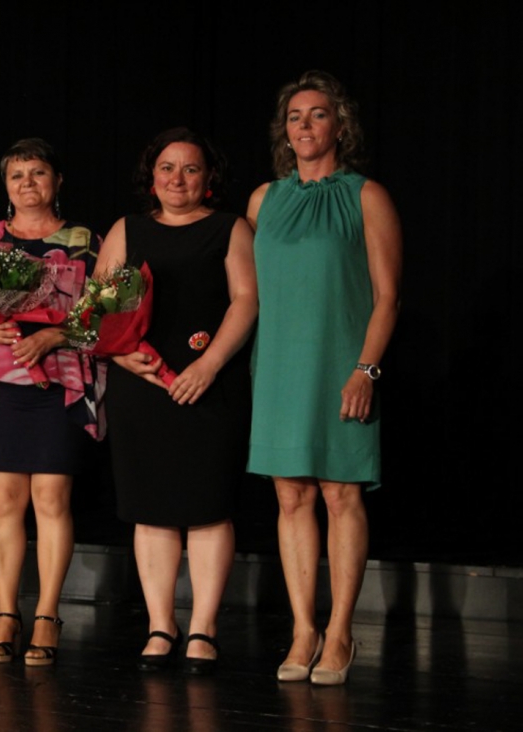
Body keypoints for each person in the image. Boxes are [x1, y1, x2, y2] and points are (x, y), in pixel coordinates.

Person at [247, 71, 402, 685]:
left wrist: (365, 370)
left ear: (340, 126)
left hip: (343, 364)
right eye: (295, 116)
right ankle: (303, 630)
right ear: (283, 131)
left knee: (341, 495)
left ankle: (340, 633)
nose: (305, 125)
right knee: (291, 497)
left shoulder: (367, 196)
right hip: (278, 367)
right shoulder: (264, 200)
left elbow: (388, 297)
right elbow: (247, 293)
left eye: (317, 114)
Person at [97, 128, 257, 674]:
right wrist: (122, 356)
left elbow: (246, 299)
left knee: (208, 507)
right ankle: (160, 626)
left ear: (208, 178)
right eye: (167, 168)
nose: (177, 179)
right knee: (151, 508)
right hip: (142, 387)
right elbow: (98, 307)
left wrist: (209, 365)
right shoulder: (128, 229)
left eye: (190, 169)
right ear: (152, 176)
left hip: (211, 385)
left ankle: (204, 629)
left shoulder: (230, 228)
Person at [0, 139, 101, 666]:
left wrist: (56, 336)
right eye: (17, 175)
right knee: (5, 503)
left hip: (58, 382)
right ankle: (6, 613)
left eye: (38, 173)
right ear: (6, 185)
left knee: (52, 501)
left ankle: (48, 615)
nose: (28, 183)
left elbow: (103, 315)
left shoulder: (85, 242)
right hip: (0, 381)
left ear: (57, 181)